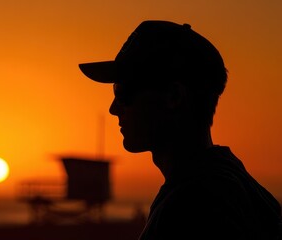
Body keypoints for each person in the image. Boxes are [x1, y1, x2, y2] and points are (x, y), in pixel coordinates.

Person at [79, 20, 282, 239]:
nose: (113, 109)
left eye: (123, 92)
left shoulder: (193, 207)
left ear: (174, 96)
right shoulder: (239, 189)